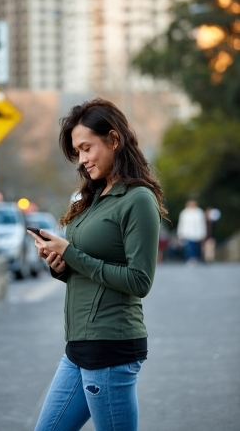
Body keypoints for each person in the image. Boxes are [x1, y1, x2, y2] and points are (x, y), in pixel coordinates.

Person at [27, 98, 167, 431]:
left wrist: (72, 254)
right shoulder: (93, 198)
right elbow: (87, 267)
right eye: (78, 152)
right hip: (79, 347)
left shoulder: (138, 200)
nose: (83, 159)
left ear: (114, 139)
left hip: (109, 348)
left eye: (87, 148)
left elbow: (139, 280)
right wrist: (59, 263)